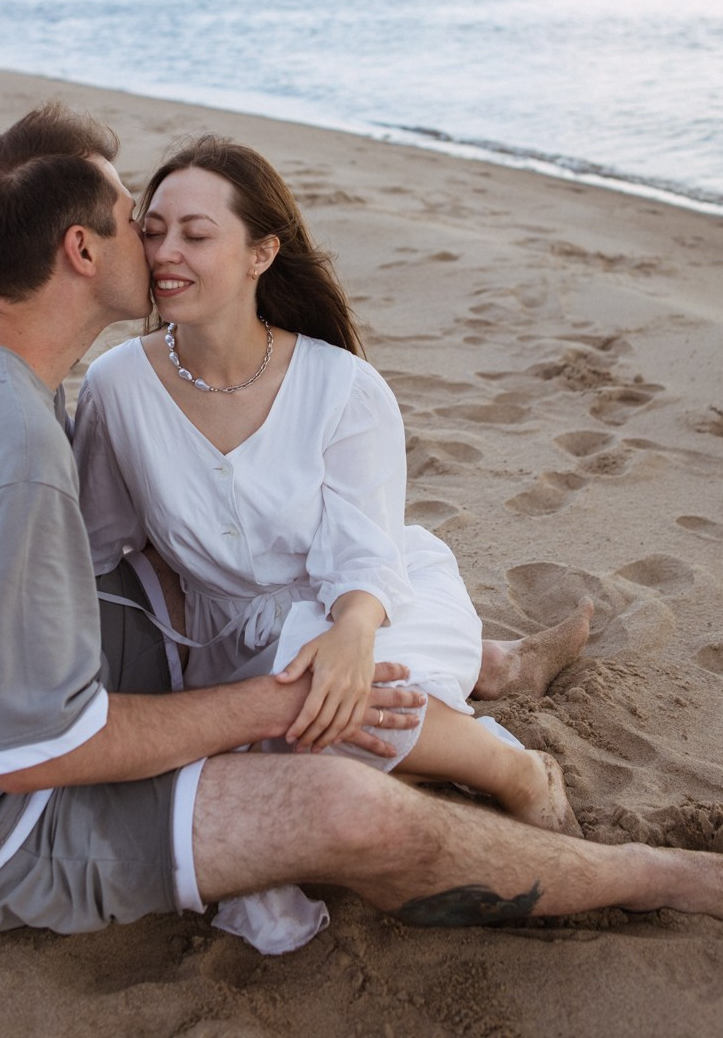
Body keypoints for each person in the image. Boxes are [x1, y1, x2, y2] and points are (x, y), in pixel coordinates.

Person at [0, 103, 723, 942]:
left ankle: (481, 665)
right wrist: (273, 703)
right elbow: (41, 749)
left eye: (184, 229)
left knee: (299, 632)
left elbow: (92, 555)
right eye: (136, 220)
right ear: (82, 250)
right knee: (347, 804)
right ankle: (649, 874)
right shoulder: (19, 453)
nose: (155, 245)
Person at [74, 136, 586, 851]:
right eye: (153, 231)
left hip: (352, 604)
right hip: (224, 646)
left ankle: (522, 771)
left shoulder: (342, 385)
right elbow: (102, 541)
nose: (165, 254)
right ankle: (492, 670)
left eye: (196, 235)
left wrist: (350, 636)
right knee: (319, 742)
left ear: (261, 253)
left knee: (344, 706)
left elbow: (365, 553)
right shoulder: (116, 385)